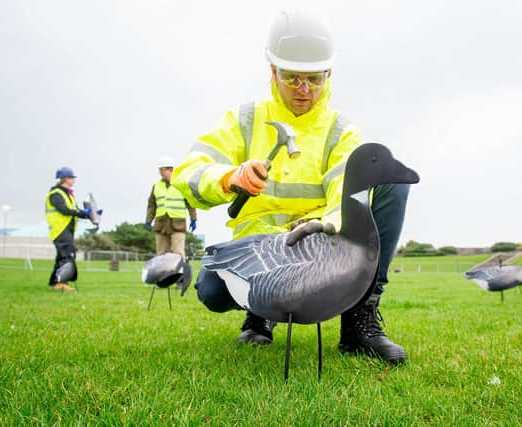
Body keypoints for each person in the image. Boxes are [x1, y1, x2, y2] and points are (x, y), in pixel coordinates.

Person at [172, 11, 411, 363]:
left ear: (329, 74)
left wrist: (324, 226)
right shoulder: (245, 120)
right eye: (292, 78)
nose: (304, 90)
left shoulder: (340, 131)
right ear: (273, 71)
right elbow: (189, 172)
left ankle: (359, 322)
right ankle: (259, 313)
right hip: (257, 247)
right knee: (212, 292)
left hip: (312, 248)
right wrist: (229, 177)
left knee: (388, 183)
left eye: (314, 79)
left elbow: (345, 189)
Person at [145, 156, 198, 293]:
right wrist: (148, 220)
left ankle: (181, 281)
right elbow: (151, 205)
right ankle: (162, 280)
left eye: (162, 170)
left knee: (178, 253)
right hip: (161, 224)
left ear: (169, 169)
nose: (161, 173)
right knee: (161, 254)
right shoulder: (156, 186)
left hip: (178, 224)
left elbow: (191, 202)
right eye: (160, 170)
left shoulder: (181, 183)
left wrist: (193, 219)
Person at [45, 167, 92, 291]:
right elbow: (65, 210)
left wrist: (88, 214)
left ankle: (54, 283)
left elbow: (74, 210)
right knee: (67, 256)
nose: (73, 180)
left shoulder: (68, 194)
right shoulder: (56, 194)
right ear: (65, 178)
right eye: (72, 178)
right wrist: (80, 213)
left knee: (61, 257)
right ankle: (62, 283)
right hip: (60, 229)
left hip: (67, 229)